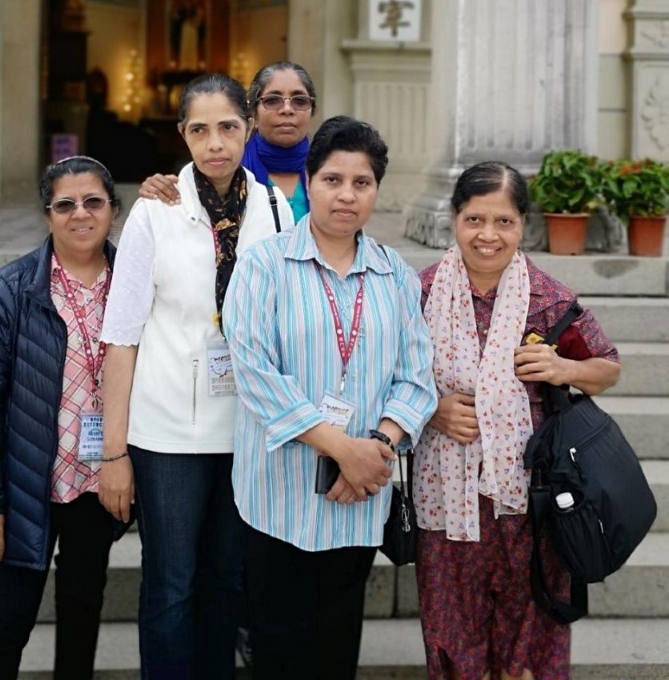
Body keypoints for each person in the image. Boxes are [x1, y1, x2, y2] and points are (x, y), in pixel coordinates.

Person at [223, 116, 437, 680]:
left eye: (361, 183)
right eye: (333, 180)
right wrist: (342, 449)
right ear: (309, 181)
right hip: (279, 496)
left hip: (359, 495)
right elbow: (254, 370)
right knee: (278, 647)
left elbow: (417, 378)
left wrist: (377, 446)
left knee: (337, 646)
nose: (346, 195)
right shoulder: (264, 264)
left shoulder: (395, 275)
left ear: (375, 190)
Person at [97, 73, 293, 680]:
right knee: (171, 583)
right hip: (167, 434)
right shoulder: (154, 211)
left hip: (246, 428)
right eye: (200, 130)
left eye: (228, 127)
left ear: (249, 129)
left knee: (227, 578)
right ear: (182, 134)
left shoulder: (275, 210)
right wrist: (113, 453)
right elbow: (121, 336)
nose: (215, 143)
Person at [413, 162, 621, 680]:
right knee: (453, 636)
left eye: (504, 221)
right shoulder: (417, 293)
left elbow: (607, 368)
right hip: (446, 503)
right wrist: (431, 408)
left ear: (523, 224)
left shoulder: (549, 301)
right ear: (454, 219)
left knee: (526, 638)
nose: (488, 235)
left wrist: (564, 368)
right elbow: (383, 378)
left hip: (530, 504)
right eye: (475, 219)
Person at [0, 156, 123, 680]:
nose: (80, 214)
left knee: (83, 611)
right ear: (47, 215)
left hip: (98, 481)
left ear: (113, 210)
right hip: (27, 483)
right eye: (65, 204)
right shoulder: (10, 291)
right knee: (7, 621)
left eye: (93, 202)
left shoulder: (136, 286)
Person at [139, 60, 316, 222]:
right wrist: (159, 190)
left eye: (300, 101)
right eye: (272, 100)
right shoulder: (225, 166)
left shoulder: (325, 167)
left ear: (312, 110)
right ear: (253, 114)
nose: (287, 109)